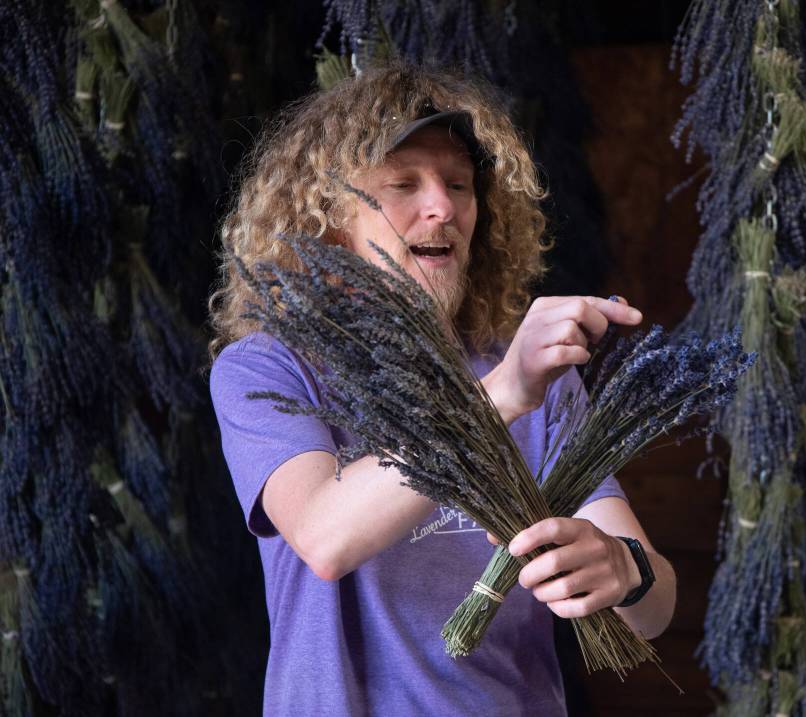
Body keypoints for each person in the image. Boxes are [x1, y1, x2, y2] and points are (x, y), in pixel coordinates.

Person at [208, 62, 676, 716]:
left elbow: (653, 611)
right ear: (329, 220)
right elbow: (323, 537)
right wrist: (502, 394)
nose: (444, 206)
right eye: (404, 183)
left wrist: (625, 571)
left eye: (459, 184)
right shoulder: (269, 370)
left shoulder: (536, 373)